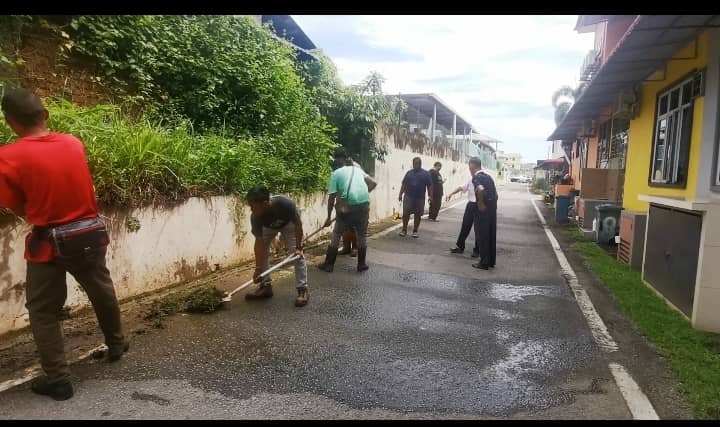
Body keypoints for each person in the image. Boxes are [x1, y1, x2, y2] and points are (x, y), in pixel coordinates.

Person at [0, 88, 127, 401]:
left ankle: (58, 379)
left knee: (43, 310)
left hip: (50, 242)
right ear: (45, 115)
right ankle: (116, 342)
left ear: (10, 122)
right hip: (90, 233)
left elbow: (17, 205)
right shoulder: (73, 142)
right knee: (101, 290)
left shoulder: (7, 157)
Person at [245, 186, 309, 307]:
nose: (251, 209)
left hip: (289, 224)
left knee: (296, 256)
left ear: (264, 203)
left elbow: (298, 225)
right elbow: (259, 243)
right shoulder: (255, 217)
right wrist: (258, 268)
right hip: (268, 227)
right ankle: (266, 286)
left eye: (253, 205)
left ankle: (302, 290)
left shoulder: (285, 203)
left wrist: (299, 247)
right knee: (262, 253)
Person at [318, 152, 377, 273]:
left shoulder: (336, 174)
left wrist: (328, 217)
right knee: (361, 234)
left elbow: (331, 198)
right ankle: (361, 265)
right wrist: (363, 194)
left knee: (337, 233)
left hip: (346, 209)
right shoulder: (358, 170)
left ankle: (328, 265)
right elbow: (373, 183)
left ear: (336, 166)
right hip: (363, 205)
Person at [469, 157, 498, 270]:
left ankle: (484, 262)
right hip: (492, 210)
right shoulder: (489, 177)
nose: (470, 170)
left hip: (483, 211)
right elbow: (496, 194)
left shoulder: (477, 177)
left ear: (473, 166)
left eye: (470, 167)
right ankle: (491, 261)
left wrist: (480, 203)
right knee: (491, 235)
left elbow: (480, 189)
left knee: (482, 236)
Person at [331, 147, 357, 258]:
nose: (338, 161)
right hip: (341, 200)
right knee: (344, 226)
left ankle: (355, 248)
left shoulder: (355, 167)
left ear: (345, 158)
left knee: (353, 226)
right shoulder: (337, 165)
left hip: (354, 200)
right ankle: (346, 247)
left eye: (340, 158)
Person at [446, 175, 480, 258]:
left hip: (479, 205)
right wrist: (451, 193)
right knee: (465, 226)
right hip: (471, 205)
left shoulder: (484, 179)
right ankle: (460, 246)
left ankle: (477, 250)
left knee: (478, 229)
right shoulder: (471, 180)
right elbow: (461, 187)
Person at [398, 157, 433, 238]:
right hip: (408, 196)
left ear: (420, 164)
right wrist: (400, 194)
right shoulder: (409, 173)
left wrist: (430, 196)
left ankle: (415, 231)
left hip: (420, 198)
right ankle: (404, 229)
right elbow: (404, 184)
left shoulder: (426, 174)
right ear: (413, 164)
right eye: (414, 163)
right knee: (406, 214)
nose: (415, 165)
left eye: (417, 163)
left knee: (417, 214)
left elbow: (430, 186)